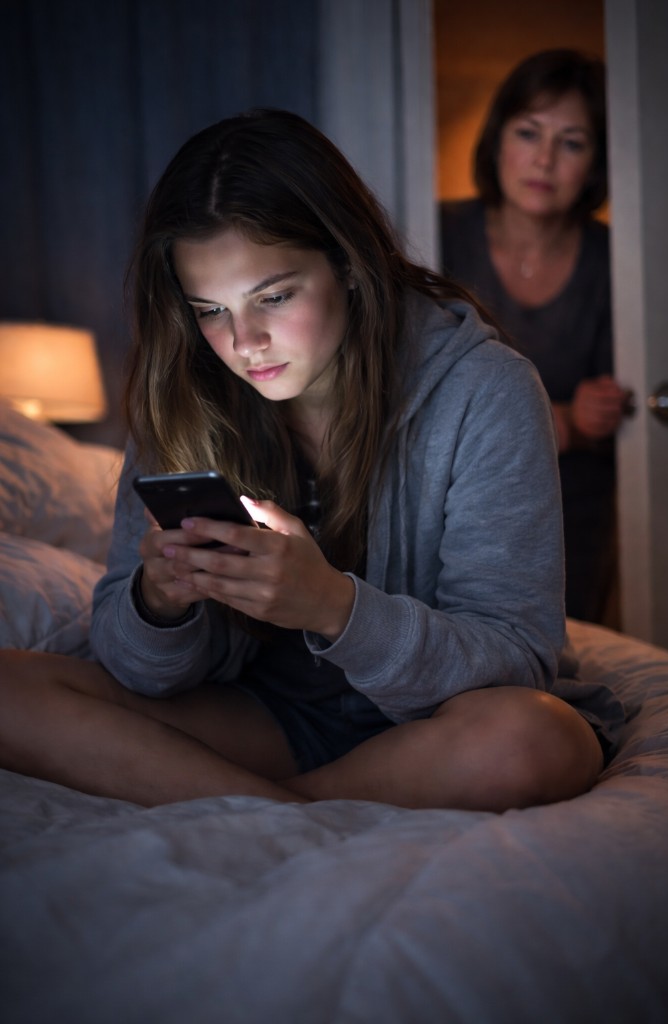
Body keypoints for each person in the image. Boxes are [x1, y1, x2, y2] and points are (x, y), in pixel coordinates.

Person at [0, 108, 624, 811]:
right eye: (210, 309)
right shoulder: (185, 393)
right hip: (266, 719)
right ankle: (285, 808)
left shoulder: (487, 390)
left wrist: (334, 608)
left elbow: (519, 658)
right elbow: (137, 667)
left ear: (350, 265)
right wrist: (160, 602)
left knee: (539, 739)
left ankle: (258, 806)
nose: (245, 342)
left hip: (433, 724)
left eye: (274, 297)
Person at [440, 49, 630, 624]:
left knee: (565, 654)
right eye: (528, 133)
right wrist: (565, 420)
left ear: (596, 162)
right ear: (497, 140)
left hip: (576, 507)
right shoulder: (435, 233)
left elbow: (635, 406)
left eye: (571, 142)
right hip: (456, 495)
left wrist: (590, 419)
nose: (544, 160)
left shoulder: (615, 259)